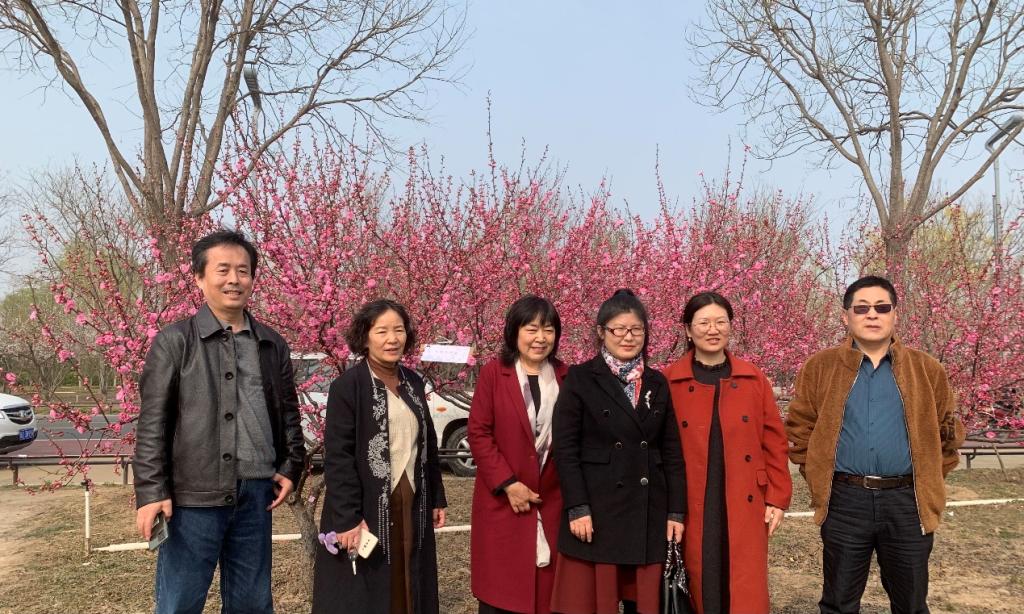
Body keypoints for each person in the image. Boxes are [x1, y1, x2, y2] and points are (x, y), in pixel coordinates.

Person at [135, 230, 305, 614]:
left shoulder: (271, 343)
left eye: (243, 271)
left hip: (257, 495)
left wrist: (291, 465)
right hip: (192, 497)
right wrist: (151, 491)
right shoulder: (175, 341)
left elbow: (288, 414)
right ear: (199, 277)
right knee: (179, 604)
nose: (234, 280)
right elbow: (152, 424)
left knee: (252, 604)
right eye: (223, 269)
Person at [785, 275, 966, 614]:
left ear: (895, 314)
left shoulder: (927, 369)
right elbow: (800, 427)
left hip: (907, 503)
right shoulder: (820, 367)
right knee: (838, 602)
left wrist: (928, 479)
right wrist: (818, 475)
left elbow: (946, 433)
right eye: (862, 308)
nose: (872, 314)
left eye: (882, 307)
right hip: (845, 501)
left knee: (911, 603)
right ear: (846, 316)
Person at [550, 289, 686, 614]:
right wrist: (577, 507)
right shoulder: (581, 378)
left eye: (636, 329)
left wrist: (676, 512)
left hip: (648, 510)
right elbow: (565, 449)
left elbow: (671, 452)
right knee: (597, 603)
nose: (628, 337)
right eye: (618, 329)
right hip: (598, 512)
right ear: (601, 332)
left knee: (645, 604)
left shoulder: (656, 382)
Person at [312, 299, 447, 614]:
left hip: (411, 498)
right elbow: (338, 456)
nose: (392, 339)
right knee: (367, 587)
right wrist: (347, 517)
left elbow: (427, 441)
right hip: (367, 504)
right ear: (365, 337)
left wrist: (437, 497)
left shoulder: (413, 382)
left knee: (410, 574)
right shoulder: (348, 386)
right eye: (382, 331)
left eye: (399, 330)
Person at [663, 292, 792, 614]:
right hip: (692, 499)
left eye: (721, 322)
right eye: (703, 323)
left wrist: (777, 497)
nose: (713, 329)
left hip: (745, 497)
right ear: (688, 330)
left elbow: (774, 441)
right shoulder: (669, 381)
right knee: (700, 576)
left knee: (744, 582)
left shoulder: (752, 378)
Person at [468, 296, 569, 614]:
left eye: (548, 329)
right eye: (531, 329)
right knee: (503, 594)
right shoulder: (494, 374)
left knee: (549, 596)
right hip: (503, 501)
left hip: (552, 500)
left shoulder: (567, 377)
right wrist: (508, 483)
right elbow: (479, 433)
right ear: (514, 332)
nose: (541, 338)